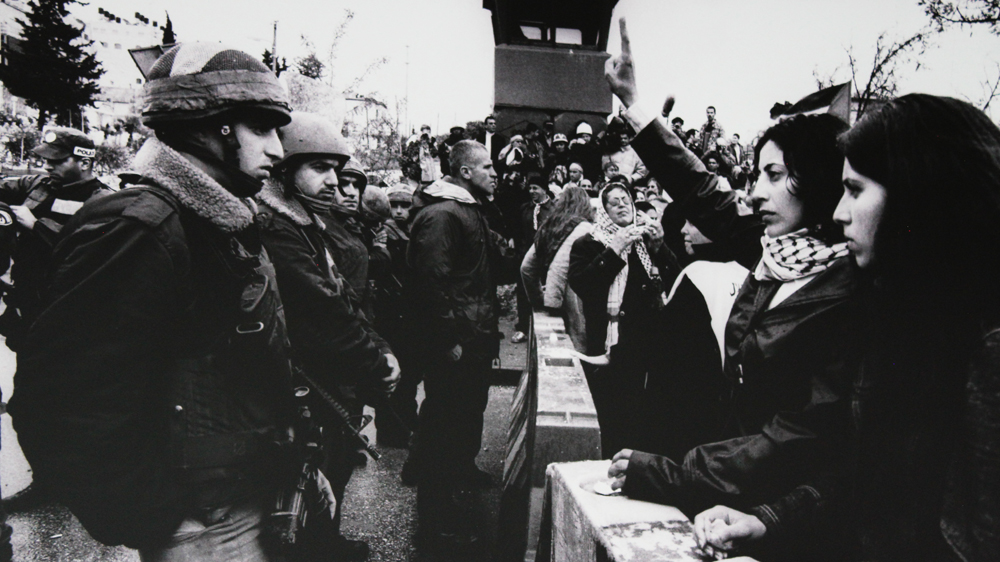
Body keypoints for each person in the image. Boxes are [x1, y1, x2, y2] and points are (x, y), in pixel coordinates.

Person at [7, 42, 302, 561]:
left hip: (236, 504)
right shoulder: (141, 227)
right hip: (202, 526)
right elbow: (59, 398)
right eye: (263, 128)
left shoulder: (210, 222)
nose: (278, 151)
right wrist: (153, 517)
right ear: (215, 127)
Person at [694, 95, 1000, 562]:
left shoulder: (987, 355)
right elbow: (867, 482)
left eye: (855, 189)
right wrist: (767, 521)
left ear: (919, 194)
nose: (839, 213)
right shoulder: (903, 316)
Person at [602, 19, 859, 538]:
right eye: (754, 175)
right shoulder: (772, 249)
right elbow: (698, 187)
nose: (756, 194)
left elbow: (794, 437)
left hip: (787, 524)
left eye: (774, 175)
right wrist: (634, 103)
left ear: (820, 180)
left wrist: (678, 474)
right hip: (732, 504)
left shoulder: (850, 286)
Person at [255, 112, 401, 561]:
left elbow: (346, 304)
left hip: (330, 380)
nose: (335, 182)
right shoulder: (278, 228)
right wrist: (378, 365)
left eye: (337, 170)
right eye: (320, 168)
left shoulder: (306, 225)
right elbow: (324, 312)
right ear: (284, 171)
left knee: (328, 475)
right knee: (304, 486)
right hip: (307, 384)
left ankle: (326, 544)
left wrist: (381, 348)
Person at [405, 140, 511, 552]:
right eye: (487, 166)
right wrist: (448, 339)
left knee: (464, 418)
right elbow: (430, 282)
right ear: (465, 172)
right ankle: (436, 522)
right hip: (458, 343)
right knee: (443, 427)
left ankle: (457, 480)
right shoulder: (443, 214)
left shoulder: (470, 209)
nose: (495, 172)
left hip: (473, 338)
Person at [568, 182, 681, 456]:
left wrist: (660, 248)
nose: (622, 204)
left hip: (646, 344)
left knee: (642, 414)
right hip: (608, 344)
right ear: (603, 211)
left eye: (626, 199)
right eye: (614, 201)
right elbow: (584, 285)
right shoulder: (589, 243)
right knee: (612, 413)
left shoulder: (644, 242)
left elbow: (676, 282)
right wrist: (614, 250)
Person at [0, 127, 114, 351]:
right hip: (26, 298)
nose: (47, 166)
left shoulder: (103, 200)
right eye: (45, 159)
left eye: (57, 161)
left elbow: (89, 250)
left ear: (84, 163)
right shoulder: (38, 185)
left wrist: (36, 226)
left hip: (65, 309)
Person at [520, 186, 593, 352]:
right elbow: (562, 266)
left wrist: (538, 299)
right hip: (573, 300)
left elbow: (527, 268)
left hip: (554, 297)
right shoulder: (585, 228)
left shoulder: (549, 227)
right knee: (577, 349)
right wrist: (551, 300)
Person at [512, 173, 554, 343]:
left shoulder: (554, 209)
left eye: (535, 188)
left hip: (547, 258)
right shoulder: (525, 209)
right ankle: (523, 327)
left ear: (544, 189)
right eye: (530, 188)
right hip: (525, 257)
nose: (531, 191)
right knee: (523, 292)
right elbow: (518, 232)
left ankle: (545, 328)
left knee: (545, 291)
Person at [602, 116, 647, 185]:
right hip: (611, 182)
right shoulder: (612, 150)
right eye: (621, 138)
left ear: (629, 139)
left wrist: (631, 178)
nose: (623, 140)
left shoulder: (635, 153)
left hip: (627, 183)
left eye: (625, 138)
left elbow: (641, 170)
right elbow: (605, 166)